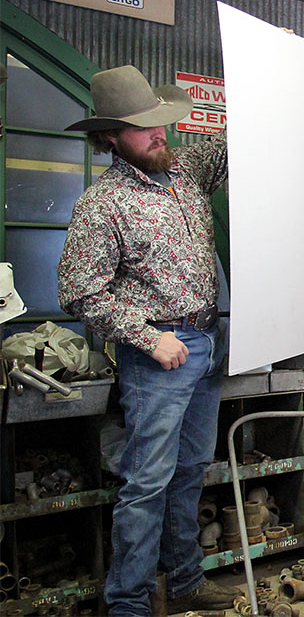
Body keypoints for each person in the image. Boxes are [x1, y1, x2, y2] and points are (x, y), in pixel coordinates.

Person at [57, 66, 240, 615]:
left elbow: (237, 143)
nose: (160, 133)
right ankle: (129, 605)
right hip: (159, 356)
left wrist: (272, 69)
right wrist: (147, 337)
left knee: (189, 472)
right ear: (111, 137)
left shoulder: (185, 170)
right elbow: (78, 290)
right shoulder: (103, 203)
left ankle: (185, 583)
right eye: (143, 127)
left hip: (207, 343)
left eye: (159, 121)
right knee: (147, 483)